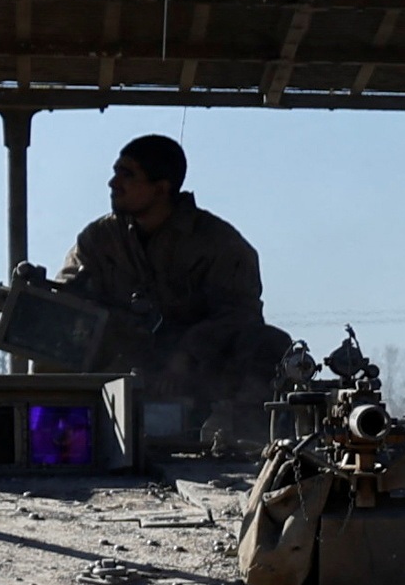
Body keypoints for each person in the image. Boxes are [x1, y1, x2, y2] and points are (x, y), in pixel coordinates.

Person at [36, 136, 272, 400]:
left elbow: (239, 316)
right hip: (116, 370)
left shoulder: (218, 244)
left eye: (127, 176)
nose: (113, 184)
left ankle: (246, 439)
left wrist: (186, 355)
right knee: (50, 344)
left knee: (269, 345)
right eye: (115, 173)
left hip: (200, 378)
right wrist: (43, 297)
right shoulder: (100, 239)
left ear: (160, 189)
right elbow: (69, 294)